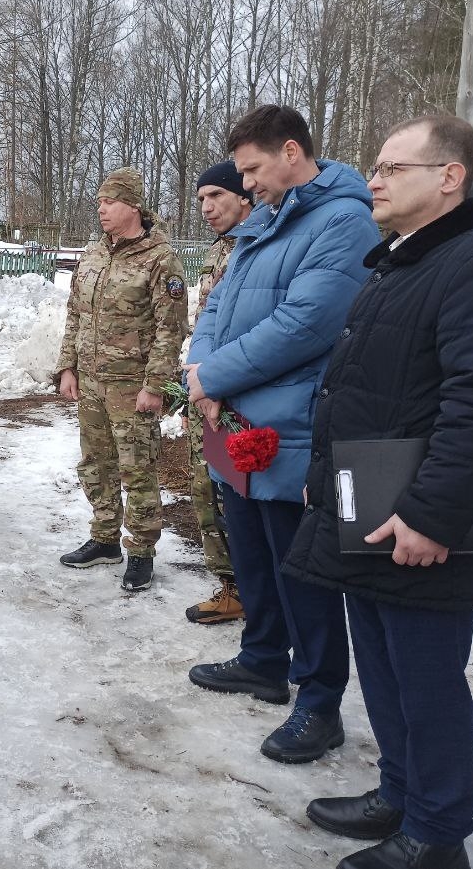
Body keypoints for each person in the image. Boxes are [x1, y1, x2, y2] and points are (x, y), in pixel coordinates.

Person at [285, 116, 473, 869]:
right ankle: (399, 793)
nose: (375, 180)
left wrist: (431, 514)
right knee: (384, 668)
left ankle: (436, 832)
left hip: (420, 519)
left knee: (425, 679)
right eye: (376, 166)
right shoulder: (400, 263)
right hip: (368, 505)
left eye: (394, 167)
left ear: (450, 177)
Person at [184, 105, 379, 763]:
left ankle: (319, 701)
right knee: (253, 554)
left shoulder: (343, 222)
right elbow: (217, 308)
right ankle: (263, 658)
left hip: (291, 427)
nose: (246, 185)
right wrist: (203, 373)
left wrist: (212, 376)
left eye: (252, 170)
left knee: (302, 571)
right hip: (236, 420)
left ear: (291, 152)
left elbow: (304, 325)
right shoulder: (264, 221)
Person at [55, 168, 188, 591]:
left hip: (132, 386)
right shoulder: (94, 254)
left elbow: (171, 329)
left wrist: (155, 385)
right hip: (91, 382)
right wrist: (67, 366)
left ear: (132, 205)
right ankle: (104, 538)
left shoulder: (159, 259)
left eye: (109, 202)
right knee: (95, 464)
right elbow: (75, 314)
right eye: (99, 202)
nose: (101, 209)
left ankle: (142, 551)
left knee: (137, 469)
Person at [185, 161, 253, 624]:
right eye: (201, 200)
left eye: (216, 196)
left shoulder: (256, 246)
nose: (207, 208)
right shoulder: (220, 249)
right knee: (206, 491)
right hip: (207, 389)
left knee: (239, 497)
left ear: (244, 195)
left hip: (239, 393)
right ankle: (233, 585)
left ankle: (252, 587)